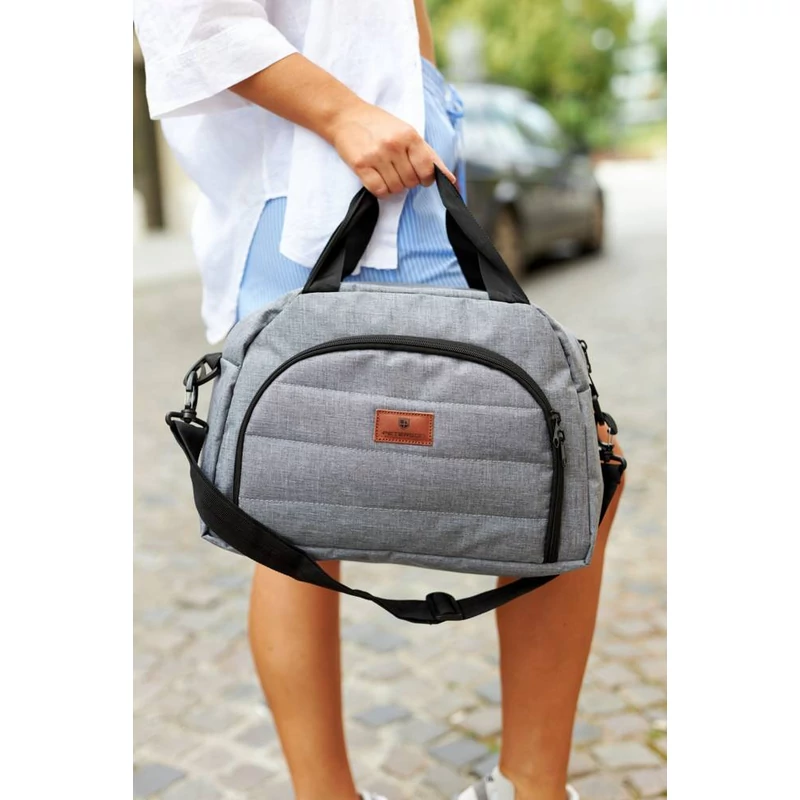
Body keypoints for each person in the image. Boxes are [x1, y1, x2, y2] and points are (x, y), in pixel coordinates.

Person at [134, 2, 624, 799]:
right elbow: (192, 21)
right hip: (334, 166)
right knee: (575, 463)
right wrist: (346, 113)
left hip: (389, 144)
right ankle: (526, 786)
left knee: (290, 499)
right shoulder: (343, 122)